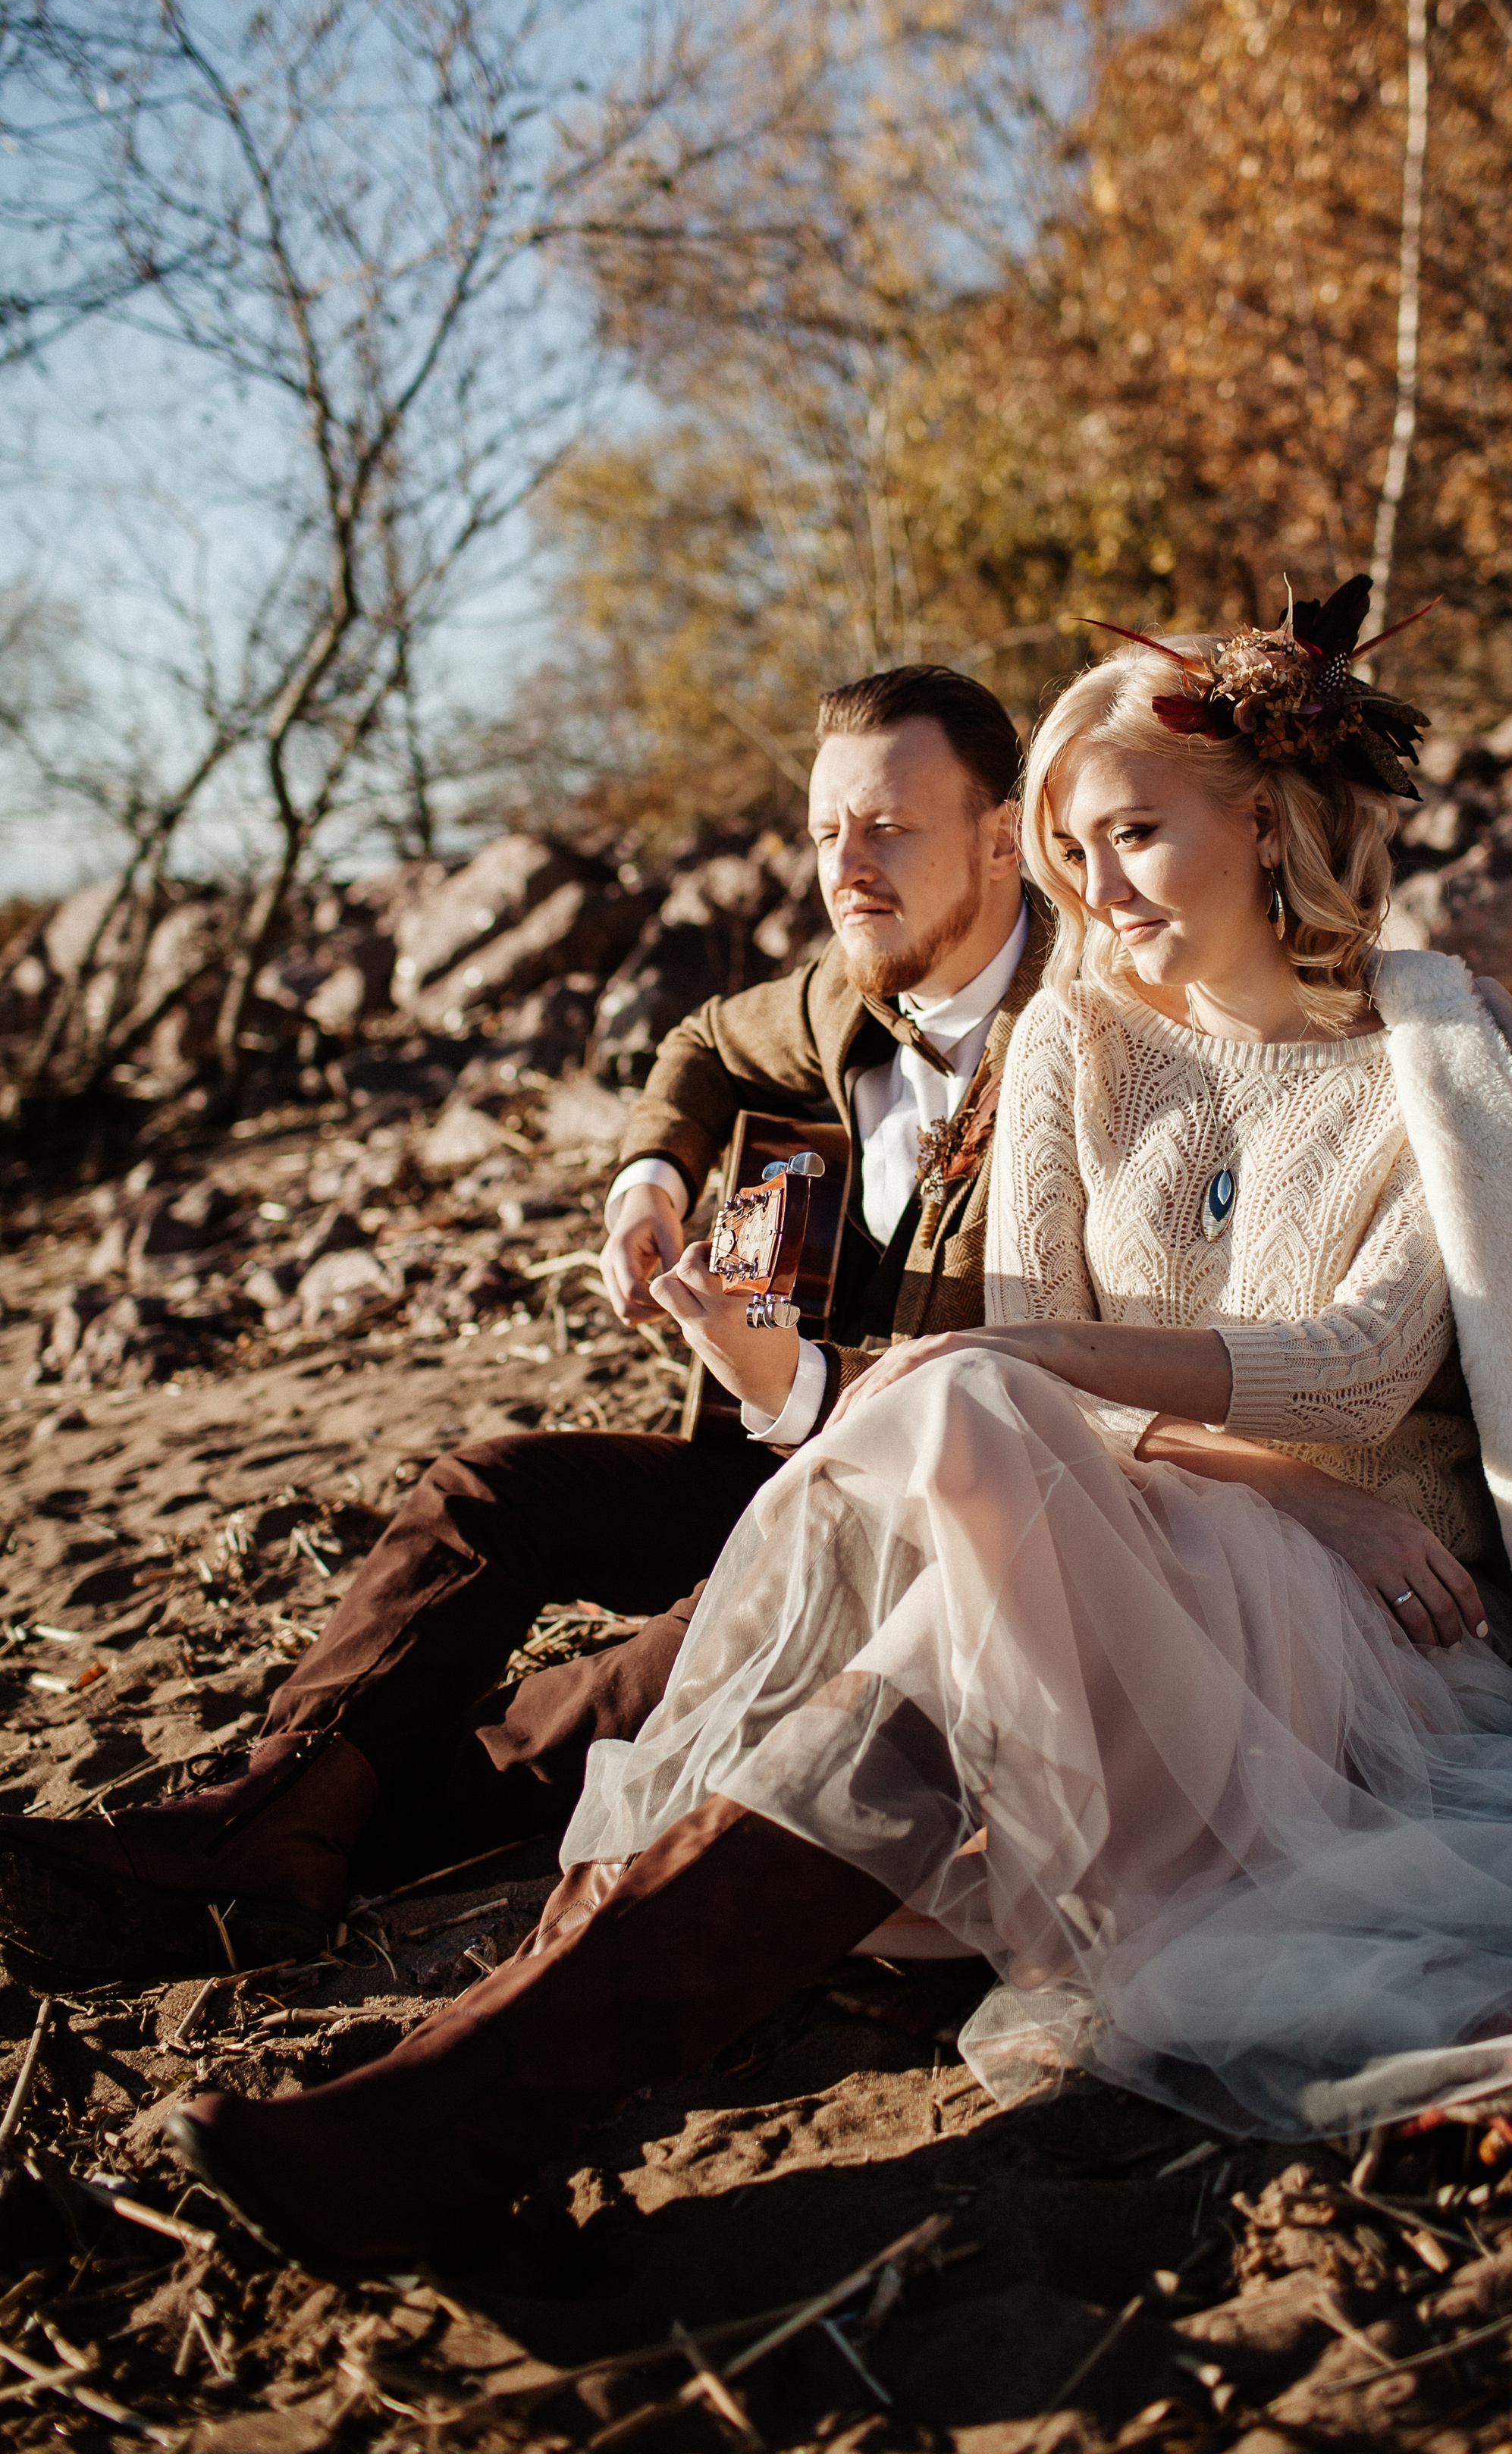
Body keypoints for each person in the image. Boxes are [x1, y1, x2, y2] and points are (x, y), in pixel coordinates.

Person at [168, 580, 1512, 2280]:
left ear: (1266, 823)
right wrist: (1225, 1468)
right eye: (1074, 850)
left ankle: (433, 2111)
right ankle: (437, 2121)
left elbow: (1341, 1374)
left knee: (937, 1452)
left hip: (1371, 1637)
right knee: (916, 1620)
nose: (1099, 888)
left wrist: (1239, 1474)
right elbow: (1025, 1374)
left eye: (1141, 837)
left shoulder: (1427, 1049)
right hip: (1134, 1529)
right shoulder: (1076, 1043)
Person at [0, 667, 1046, 1993]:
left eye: (888, 828)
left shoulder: (1086, 1043)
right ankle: (275, 1812)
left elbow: (1055, 1377)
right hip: (775, 1457)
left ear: (1002, 838)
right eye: (826, 830)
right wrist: (649, 1185)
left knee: (653, 1670)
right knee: (483, 1491)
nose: (847, 868)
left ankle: (287, 1846)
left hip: (932, 1533)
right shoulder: (847, 993)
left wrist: (803, 1387)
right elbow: (701, 1048)